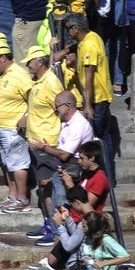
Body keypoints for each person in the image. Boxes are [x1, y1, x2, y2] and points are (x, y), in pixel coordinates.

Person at [27, 91, 94, 247]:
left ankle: (57, 233)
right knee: (44, 187)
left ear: (68, 106)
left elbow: (65, 155)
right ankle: (50, 226)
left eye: (57, 106)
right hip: (62, 164)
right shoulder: (66, 121)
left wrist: (43, 147)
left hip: (72, 167)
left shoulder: (78, 124)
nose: (55, 110)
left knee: (60, 200)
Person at [0, 40, 33, 211]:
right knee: (7, 162)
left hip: (13, 129)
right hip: (0, 128)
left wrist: (26, 116)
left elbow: (33, 96)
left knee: (18, 163)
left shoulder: (19, 75)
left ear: (3, 58)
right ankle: (12, 195)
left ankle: (22, 199)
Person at [18, 46, 65, 234]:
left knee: (47, 184)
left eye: (30, 61)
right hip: (36, 142)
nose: (28, 65)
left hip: (47, 143)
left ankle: (54, 228)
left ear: (40, 62)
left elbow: (62, 109)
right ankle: (48, 223)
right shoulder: (37, 81)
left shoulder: (52, 82)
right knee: (41, 185)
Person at [63, 13, 113, 161]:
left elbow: (89, 78)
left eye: (68, 29)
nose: (67, 33)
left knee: (99, 137)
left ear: (75, 29)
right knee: (102, 135)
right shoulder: (92, 37)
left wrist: (88, 105)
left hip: (97, 98)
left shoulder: (89, 45)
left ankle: (106, 170)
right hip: (98, 96)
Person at [99, 0, 133, 93]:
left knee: (108, 47)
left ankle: (109, 80)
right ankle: (118, 82)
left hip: (114, 16)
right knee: (119, 47)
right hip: (124, 16)